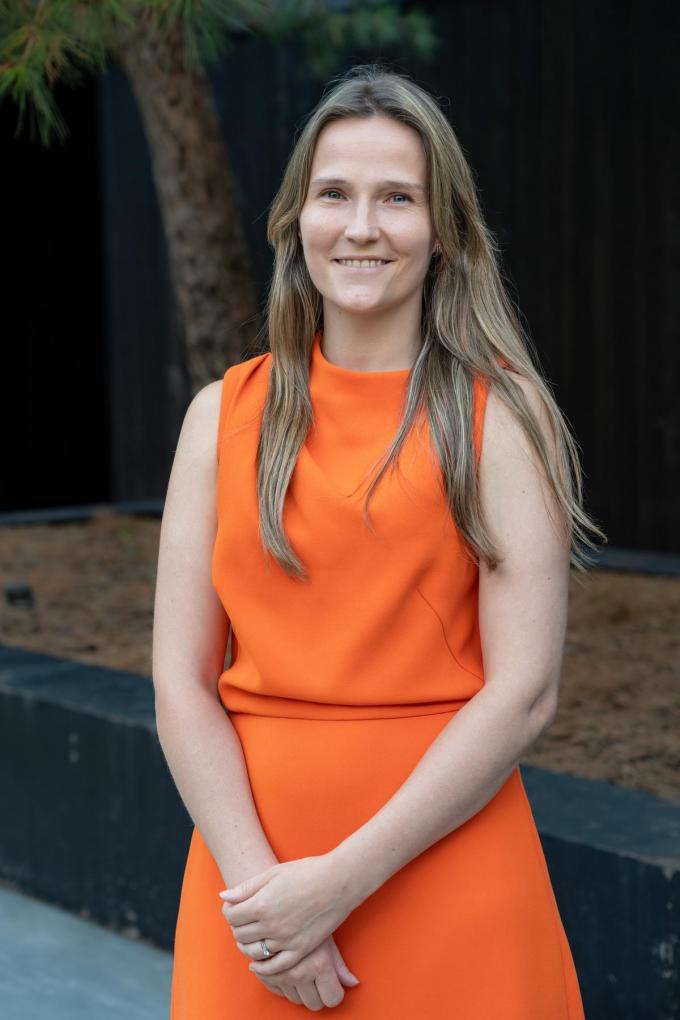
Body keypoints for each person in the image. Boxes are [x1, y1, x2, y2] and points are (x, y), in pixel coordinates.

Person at [154, 63, 605, 1017]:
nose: (361, 226)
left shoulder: (501, 417)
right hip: (252, 888)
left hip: (446, 876)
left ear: (444, 230)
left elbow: (524, 694)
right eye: (334, 195)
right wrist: (268, 902)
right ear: (296, 222)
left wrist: (337, 884)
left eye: (397, 197)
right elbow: (180, 685)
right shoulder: (219, 416)